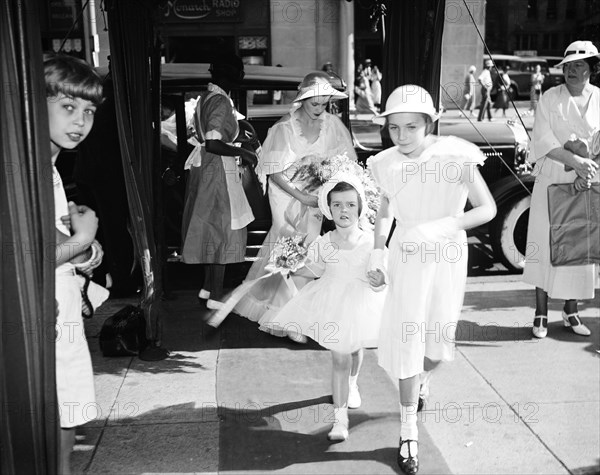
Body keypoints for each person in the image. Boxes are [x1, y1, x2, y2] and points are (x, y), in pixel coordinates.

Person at [368, 85, 496, 474]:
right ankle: (408, 430)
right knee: (407, 339)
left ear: (429, 122)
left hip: (447, 254)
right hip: (406, 253)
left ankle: (422, 379)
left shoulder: (456, 154)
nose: (402, 136)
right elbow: (385, 213)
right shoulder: (385, 163)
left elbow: (487, 209)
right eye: (394, 128)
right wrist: (378, 255)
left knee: (437, 346)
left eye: (411, 127)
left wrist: (442, 226)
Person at [260, 176, 386, 440]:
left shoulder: (370, 243)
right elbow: (313, 270)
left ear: (360, 208)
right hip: (333, 302)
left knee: (355, 348)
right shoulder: (324, 242)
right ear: (328, 208)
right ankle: (340, 421)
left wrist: (378, 281)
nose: (344, 211)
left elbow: (380, 278)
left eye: (351, 205)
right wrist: (288, 266)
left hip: (359, 302)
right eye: (337, 205)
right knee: (340, 357)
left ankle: (353, 383)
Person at [233, 71, 357, 329]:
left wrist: (326, 186)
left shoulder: (331, 124)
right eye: (315, 104)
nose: (320, 109)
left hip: (316, 195)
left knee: (308, 250)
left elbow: (343, 160)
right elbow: (274, 171)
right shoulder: (283, 129)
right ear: (302, 99)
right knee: (290, 245)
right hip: (287, 195)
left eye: (325, 104)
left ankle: (299, 311)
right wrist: (302, 196)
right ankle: (285, 312)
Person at [45, 54, 106, 474]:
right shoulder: (28, 170)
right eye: (68, 107)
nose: (80, 121)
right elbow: (34, 258)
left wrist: (84, 250)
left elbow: (54, 246)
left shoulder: (49, 165)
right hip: (45, 316)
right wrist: (82, 239)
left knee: (65, 403)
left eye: (87, 111)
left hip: (60, 311)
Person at [523, 40, 600, 339]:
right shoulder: (549, 99)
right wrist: (576, 161)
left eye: (580, 65)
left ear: (592, 69)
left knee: (578, 247)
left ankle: (571, 310)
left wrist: (588, 170)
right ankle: (541, 312)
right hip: (553, 178)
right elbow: (543, 141)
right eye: (568, 66)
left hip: (588, 182)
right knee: (544, 242)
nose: (572, 70)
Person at [180, 54, 258, 308]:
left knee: (210, 228)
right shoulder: (222, 101)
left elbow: (202, 139)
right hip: (218, 172)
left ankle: (206, 288)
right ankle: (216, 296)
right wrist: (244, 152)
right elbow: (214, 143)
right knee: (224, 231)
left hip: (204, 169)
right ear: (231, 76)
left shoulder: (205, 98)